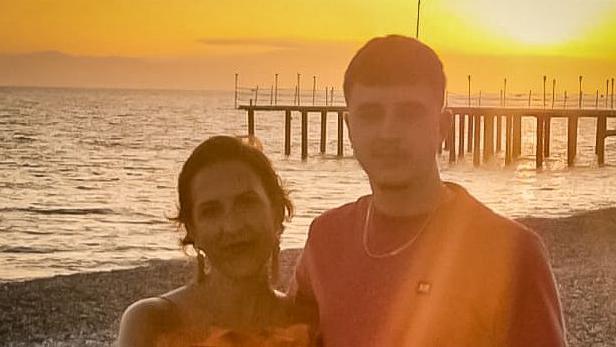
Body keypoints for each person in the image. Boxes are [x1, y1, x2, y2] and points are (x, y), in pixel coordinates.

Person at [288, 35, 566, 346]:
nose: (388, 132)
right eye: (371, 114)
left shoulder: (511, 253)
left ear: (443, 127)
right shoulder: (327, 238)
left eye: (409, 113)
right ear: (349, 127)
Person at [119, 135, 314, 346]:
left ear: (276, 212)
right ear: (192, 230)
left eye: (246, 203)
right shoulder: (153, 322)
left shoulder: (309, 325)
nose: (232, 226)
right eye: (211, 211)